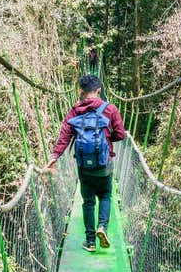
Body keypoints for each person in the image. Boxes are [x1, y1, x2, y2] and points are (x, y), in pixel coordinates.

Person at [45, 75, 126, 252]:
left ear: (81, 92)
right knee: (105, 196)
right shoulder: (110, 109)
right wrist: (106, 138)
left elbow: (65, 136)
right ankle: (102, 227)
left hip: (84, 167)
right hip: (104, 164)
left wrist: (54, 156)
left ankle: (90, 242)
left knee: (88, 201)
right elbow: (120, 134)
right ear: (98, 91)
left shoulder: (74, 111)